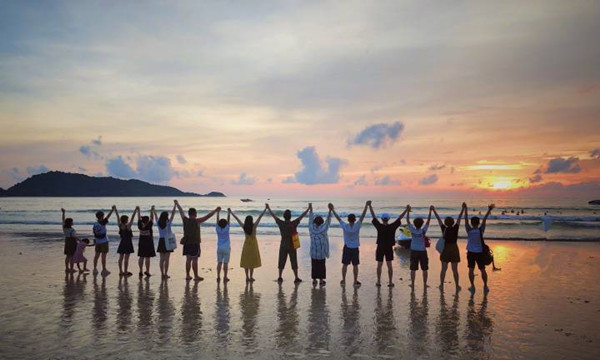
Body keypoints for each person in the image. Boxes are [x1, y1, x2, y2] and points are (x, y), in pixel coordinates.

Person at [175, 200, 220, 281]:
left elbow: (181, 211)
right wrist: (215, 210)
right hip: (195, 243)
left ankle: (188, 275)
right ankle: (196, 276)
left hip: (187, 243)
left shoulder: (185, 220)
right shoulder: (197, 221)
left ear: (189, 214)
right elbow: (208, 216)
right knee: (195, 260)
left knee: (188, 260)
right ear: (195, 214)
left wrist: (177, 204)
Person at [266, 203, 309, 283]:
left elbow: (274, 216)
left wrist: (268, 208)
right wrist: (308, 209)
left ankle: (279, 276)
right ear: (290, 216)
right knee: (294, 261)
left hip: (283, 244)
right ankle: (296, 277)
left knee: (281, 260)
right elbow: (301, 217)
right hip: (292, 245)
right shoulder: (293, 223)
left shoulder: (281, 223)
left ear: (284, 216)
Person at [330, 201, 370, 287]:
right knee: (355, 265)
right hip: (355, 248)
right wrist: (366, 206)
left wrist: (332, 210)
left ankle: (344, 280)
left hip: (347, 247)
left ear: (348, 220)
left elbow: (338, 218)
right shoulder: (357, 225)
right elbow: (362, 216)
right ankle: (355, 281)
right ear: (354, 220)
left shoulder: (345, 226)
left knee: (345, 264)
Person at [368, 203, 408, 287]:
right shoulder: (392, 226)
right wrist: (406, 210)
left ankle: (378, 282)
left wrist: (370, 206)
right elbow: (400, 218)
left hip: (380, 247)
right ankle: (390, 282)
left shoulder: (379, 226)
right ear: (388, 219)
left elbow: (373, 216)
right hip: (389, 247)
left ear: (382, 219)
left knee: (379, 264)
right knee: (389, 265)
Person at [432, 205, 465, 292]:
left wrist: (434, 210)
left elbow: (438, 219)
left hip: (445, 249)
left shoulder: (444, 229)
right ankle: (457, 285)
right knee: (455, 269)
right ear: (453, 222)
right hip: (454, 248)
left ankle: (441, 285)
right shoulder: (455, 228)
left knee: (443, 269)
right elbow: (459, 218)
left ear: (445, 223)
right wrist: (463, 209)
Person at [464, 202, 495, 293]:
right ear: (478, 223)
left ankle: (472, 286)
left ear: (471, 223)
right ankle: (485, 286)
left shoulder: (469, 230)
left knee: (471, 270)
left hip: (470, 252)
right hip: (480, 253)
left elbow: (465, 220)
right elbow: (485, 220)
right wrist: (489, 210)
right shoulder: (480, 230)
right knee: (482, 270)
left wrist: (465, 209)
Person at [231, 206, 267, 282]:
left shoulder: (244, 227)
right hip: (253, 246)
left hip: (246, 245)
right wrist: (265, 209)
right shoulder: (254, 226)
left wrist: (231, 212)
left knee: (246, 261)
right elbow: (260, 217)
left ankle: (246, 277)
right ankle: (251, 277)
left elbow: (237, 219)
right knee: (252, 261)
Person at [407, 205, 433, 289]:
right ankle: (425, 284)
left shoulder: (412, 230)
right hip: (422, 251)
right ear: (422, 224)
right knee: (424, 268)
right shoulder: (423, 230)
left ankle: (413, 283)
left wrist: (407, 211)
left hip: (414, 250)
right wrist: (430, 211)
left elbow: (407, 220)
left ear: (414, 224)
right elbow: (428, 221)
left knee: (413, 268)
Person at [308, 203, 332, 286]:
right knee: (321, 266)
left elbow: (310, 219)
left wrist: (311, 209)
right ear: (322, 222)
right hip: (321, 253)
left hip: (313, 252)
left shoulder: (311, 228)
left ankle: (314, 280)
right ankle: (321, 280)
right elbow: (328, 221)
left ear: (314, 222)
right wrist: (330, 211)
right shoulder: (323, 229)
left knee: (314, 266)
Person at [115, 206, 139, 276]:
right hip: (128, 243)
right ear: (126, 220)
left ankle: (120, 271)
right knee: (126, 259)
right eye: (127, 220)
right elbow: (132, 218)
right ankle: (125, 271)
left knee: (121, 257)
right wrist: (136, 210)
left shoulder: (120, 225)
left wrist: (115, 210)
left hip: (122, 242)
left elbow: (117, 217)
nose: (128, 220)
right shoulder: (127, 226)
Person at [92, 205, 116, 275]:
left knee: (96, 255)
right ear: (102, 216)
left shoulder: (95, 224)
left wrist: (95, 240)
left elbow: (94, 232)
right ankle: (104, 269)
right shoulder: (102, 223)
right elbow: (108, 216)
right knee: (103, 256)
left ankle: (95, 268)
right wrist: (112, 210)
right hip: (104, 241)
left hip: (97, 241)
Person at [155, 204, 177, 279]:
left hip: (161, 240)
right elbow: (173, 214)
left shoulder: (158, 222)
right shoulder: (168, 222)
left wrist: (153, 210)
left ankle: (162, 274)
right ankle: (166, 274)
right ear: (167, 216)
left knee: (161, 259)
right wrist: (175, 205)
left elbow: (155, 216)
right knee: (167, 259)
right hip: (167, 240)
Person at [137, 206, 156, 277]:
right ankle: (147, 271)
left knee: (141, 257)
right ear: (147, 221)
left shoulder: (140, 226)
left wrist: (138, 210)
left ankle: (140, 271)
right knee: (147, 258)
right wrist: (152, 210)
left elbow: (138, 218)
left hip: (141, 243)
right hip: (148, 243)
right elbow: (152, 217)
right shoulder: (149, 226)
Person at [215, 208, 232, 283]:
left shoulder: (218, 229)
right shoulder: (227, 228)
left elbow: (217, 221)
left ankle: (218, 277)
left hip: (219, 247)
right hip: (226, 247)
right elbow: (228, 221)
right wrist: (229, 213)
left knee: (219, 262)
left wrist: (217, 213)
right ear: (226, 224)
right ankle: (225, 277)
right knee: (225, 263)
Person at [61, 208, 77, 273]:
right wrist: (80, 241)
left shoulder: (64, 227)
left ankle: (67, 268)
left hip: (67, 241)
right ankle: (71, 268)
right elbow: (74, 237)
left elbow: (63, 220)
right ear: (70, 223)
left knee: (68, 256)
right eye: (72, 221)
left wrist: (63, 213)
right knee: (72, 256)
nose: (73, 222)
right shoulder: (72, 230)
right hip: (72, 242)